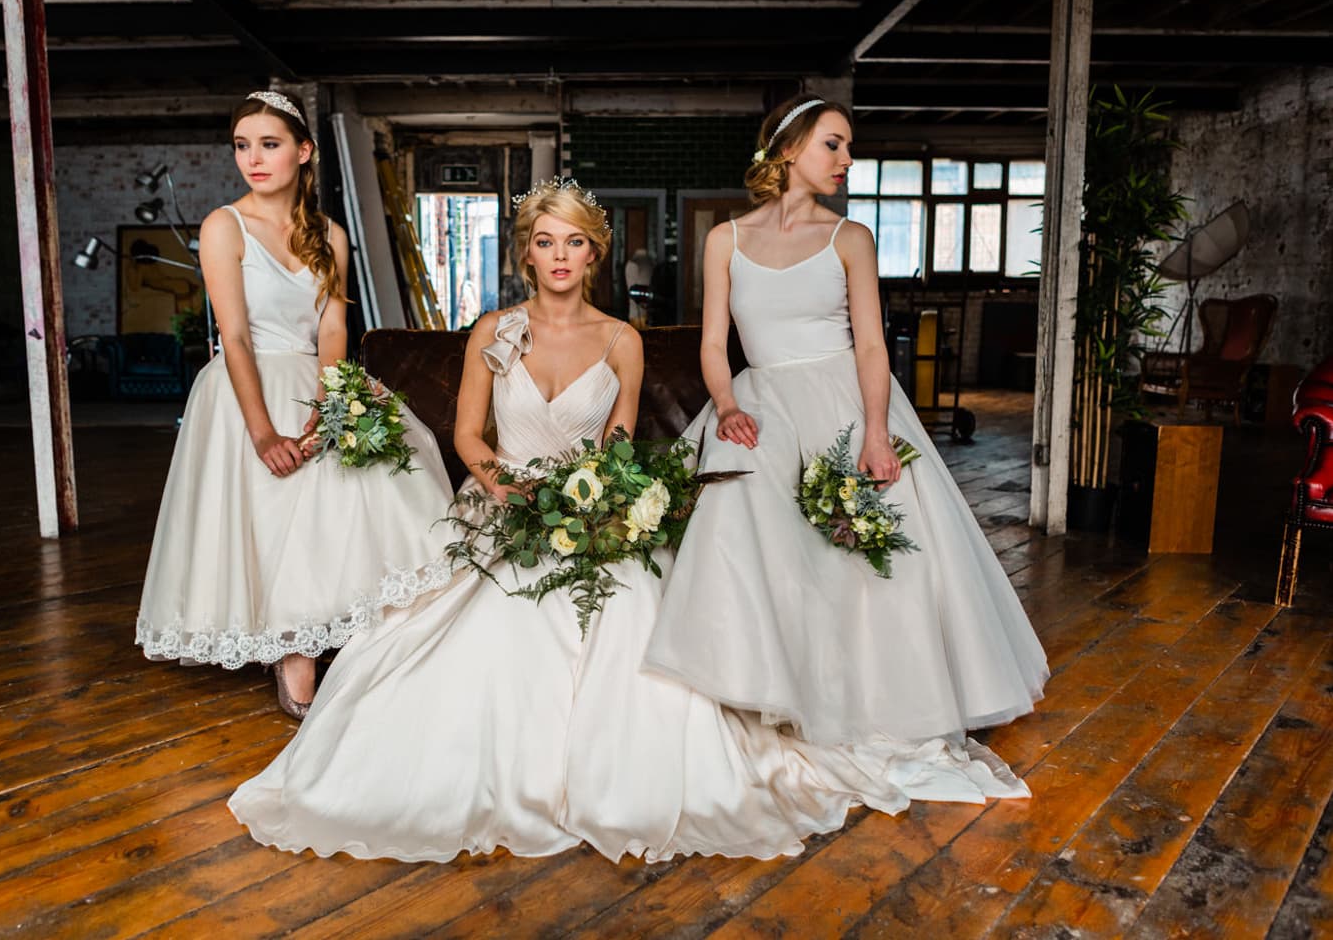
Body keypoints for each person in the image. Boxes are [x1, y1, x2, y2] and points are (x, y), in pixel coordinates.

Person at [227, 177, 1028, 865]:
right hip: (499, 505)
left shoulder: (622, 340)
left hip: (588, 509)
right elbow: (469, 435)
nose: (561, 256)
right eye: (545, 242)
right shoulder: (491, 332)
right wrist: (504, 485)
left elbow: (613, 445)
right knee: (460, 638)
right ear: (526, 253)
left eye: (575, 242)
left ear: (594, 255)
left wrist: (588, 496)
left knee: (635, 637)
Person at [645, 95, 1050, 756]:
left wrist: (875, 431)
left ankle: (877, 695)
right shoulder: (726, 240)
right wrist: (725, 406)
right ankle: (764, 679)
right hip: (760, 400)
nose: (847, 159)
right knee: (741, 507)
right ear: (785, 149)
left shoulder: (849, 238)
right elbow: (714, 346)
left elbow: (869, 346)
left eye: (848, 146)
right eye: (832, 144)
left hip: (844, 400)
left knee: (867, 554)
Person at [135, 90, 454, 719]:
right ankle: (292, 651)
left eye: (270, 144)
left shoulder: (328, 234)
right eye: (242, 145)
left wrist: (332, 405)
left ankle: (362, 631)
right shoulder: (223, 225)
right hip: (243, 386)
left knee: (373, 481)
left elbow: (333, 332)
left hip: (318, 378)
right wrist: (262, 433)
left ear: (303, 152)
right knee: (282, 500)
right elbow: (234, 337)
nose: (253, 158)